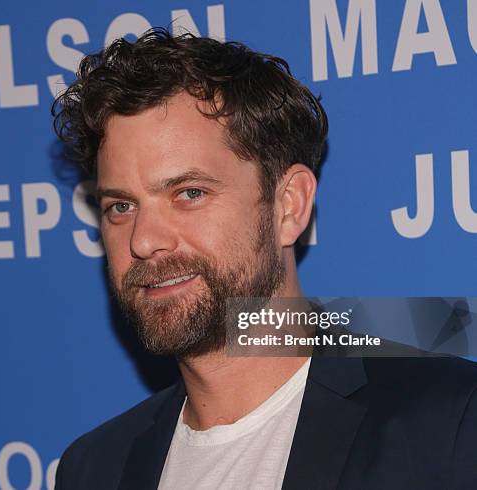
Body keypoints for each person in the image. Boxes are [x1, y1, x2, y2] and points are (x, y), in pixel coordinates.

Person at [51, 28, 477, 489]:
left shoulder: (449, 427)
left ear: (288, 205)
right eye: (121, 206)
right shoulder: (94, 468)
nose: (144, 240)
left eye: (189, 193)